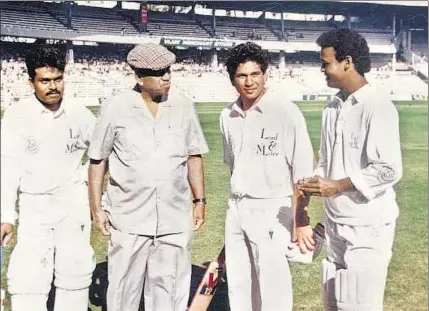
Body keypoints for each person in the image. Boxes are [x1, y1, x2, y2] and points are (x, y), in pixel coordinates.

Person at [87, 43, 209, 311]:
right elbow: (98, 161)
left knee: (171, 293)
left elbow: (194, 155)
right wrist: (97, 210)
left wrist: (200, 200)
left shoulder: (183, 106)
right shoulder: (115, 107)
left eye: (168, 70)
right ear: (138, 76)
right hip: (129, 218)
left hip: (174, 218)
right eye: (158, 72)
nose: (167, 76)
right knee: (122, 294)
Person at [299, 28, 402, 311]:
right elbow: (326, 163)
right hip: (334, 225)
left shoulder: (377, 106)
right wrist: (308, 187)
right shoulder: (332, 107)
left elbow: (390, 170)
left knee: (358, 306)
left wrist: (337, 186)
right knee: (334, 305)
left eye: (326, 62)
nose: (322, 69)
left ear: (347, 61)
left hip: (368, 227)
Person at [220, 41, 317, 311]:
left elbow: (302, 173)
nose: (249, 82)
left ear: (265, 75)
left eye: (255, 74)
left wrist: (301, 220)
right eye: (242, 75)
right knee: (239, 286)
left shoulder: (285, 112)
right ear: (233, 79)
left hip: (274, 207)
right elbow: (233, 164)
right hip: (237, 207)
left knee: (273, 291)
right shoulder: (227, 115)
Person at [0, 45, 96, 311]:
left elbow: (101, 155)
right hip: (34, 205)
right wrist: (6, 216)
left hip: (73, 205)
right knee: (28, 278)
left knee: (75, 274)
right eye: (45, 81)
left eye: (58, 79)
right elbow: (7, 167)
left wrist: (87, 183)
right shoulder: (17, 116)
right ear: (31, 80)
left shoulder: (80, 113)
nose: (53, 87)